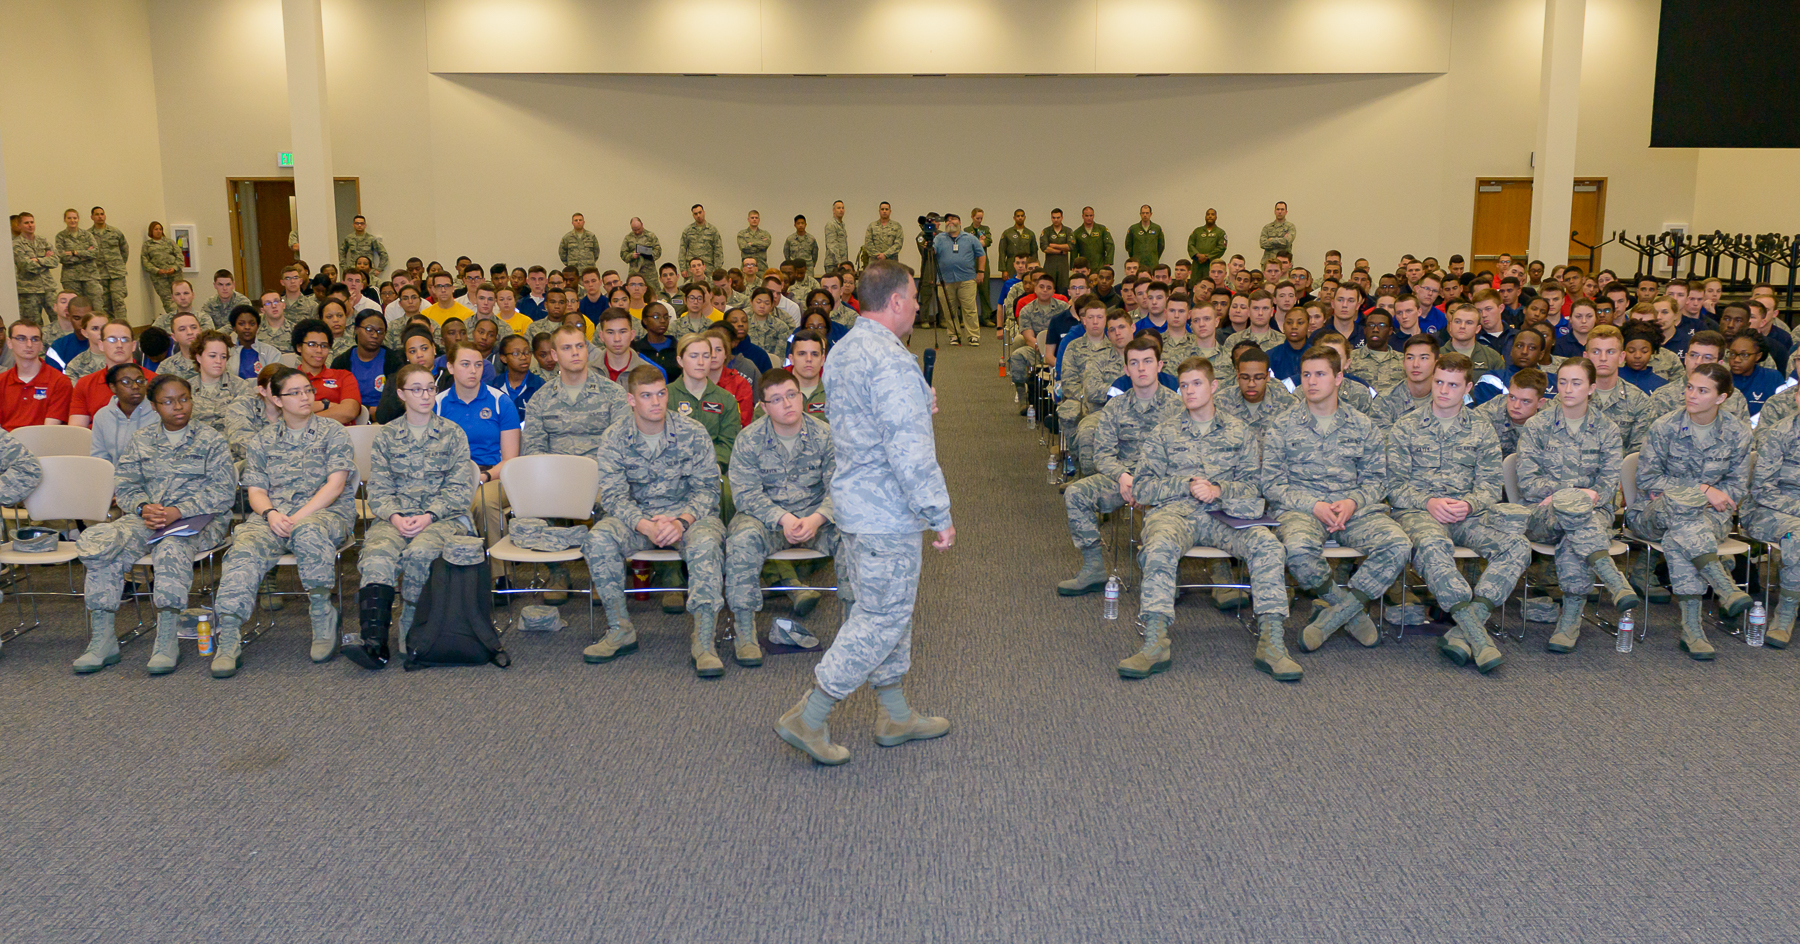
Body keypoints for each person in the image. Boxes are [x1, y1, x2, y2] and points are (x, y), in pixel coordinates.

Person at [774, 260, 951, 766]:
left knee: (886, 612)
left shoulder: (847, 348)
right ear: (895, 301)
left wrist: (917, 398)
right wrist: (938, 510)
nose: (917, 304)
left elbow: (864, 418)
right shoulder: (893, 363)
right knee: (879, 617)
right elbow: (908, 451)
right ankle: (809, 717)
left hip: (856, 506)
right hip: (886, 512)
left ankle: (894, 712)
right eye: (913, 296)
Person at [1131, 355, 1298, 680]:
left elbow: (1255, 487)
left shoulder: (1240, 432)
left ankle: (1272, 642)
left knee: (1268, 547)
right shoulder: (1164, 433)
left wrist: (1219, 489)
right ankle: (1155, 641)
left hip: (1227, 515)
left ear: (1214, 386)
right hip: (1178, 514)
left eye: (1196, 384)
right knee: (1159, 545)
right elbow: (1142, 487)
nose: (1189, 391)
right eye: (1183, 385)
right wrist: (1186, 485)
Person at [74, 376, 236, 675]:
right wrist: (142, 507)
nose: (179, 406)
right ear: (154, 406)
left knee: (171, 547)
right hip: (147, 519)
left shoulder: (210, 439)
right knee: (103, 543)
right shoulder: (142, 439)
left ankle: (166, 638)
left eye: (184, 398)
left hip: (198, 521)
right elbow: (125, 486)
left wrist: (179, 510)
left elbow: (223, 492)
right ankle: (103, 639)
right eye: (169, 401)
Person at [208, 365, 359, 677]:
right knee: (243, 547)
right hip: (274, 517)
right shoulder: (262, 441)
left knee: (307, 532)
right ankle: (229, 636)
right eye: (295, 393)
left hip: (325, 514)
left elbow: (335, 485)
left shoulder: (333, 433)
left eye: (308, 390)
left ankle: (322, 614)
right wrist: (271, 514)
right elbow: (256, 491)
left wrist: (297, 517)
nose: (305, 397)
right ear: (276, 400)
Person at [1385, 352, 1529, 673]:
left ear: (1467, 388)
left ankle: (1465, 626)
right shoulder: (1406, 426)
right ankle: (1476, 635)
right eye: (1438, 382)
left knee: (1516, 545)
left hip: (1469, 514)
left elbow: (1491, 486)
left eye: (1452, 384)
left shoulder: (1481, 428)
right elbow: (1393, 485)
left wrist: (1469, 504)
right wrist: (1429, 502)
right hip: (1419, 513)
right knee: (1434, 546)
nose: (1443, 390)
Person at [581, 366, 729, 675]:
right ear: (631, 400)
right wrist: (645, 525)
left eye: (661, 394)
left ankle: (704, 641)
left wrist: (680, 522)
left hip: (689, 516)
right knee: (598, 539)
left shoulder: (692, 432)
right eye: (646, 396)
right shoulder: (615, 437)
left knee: (706, 544)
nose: (656, 402)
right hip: (638, 520)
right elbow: (612, 496)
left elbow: (708, 489)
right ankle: (620, 629)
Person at [1264, 345, 1411, 653]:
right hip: (1303, 509)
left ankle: (1332, 619)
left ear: (1339, 378)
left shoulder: (1362, 425)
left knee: (1398, 544)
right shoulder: (1282, 424)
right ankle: (1352, 612)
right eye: (1306, 374)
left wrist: (1353, 502)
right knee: (1296, 548)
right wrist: (1313, 506)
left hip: (1354, 510)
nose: (1311, 381)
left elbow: (1377, 480)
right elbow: (1272, 484)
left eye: (1320, 374)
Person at [342, 363, 477, 670]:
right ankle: (374, 642)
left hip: (443, 519)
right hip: (395, 518)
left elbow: (459, 489)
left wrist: (430, 515)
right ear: (401, 394)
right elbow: (378, 488)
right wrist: (395, 517)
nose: (426, 395)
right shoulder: (387, 435)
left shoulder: (452, 434)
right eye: (417, 389)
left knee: (419, 553)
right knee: (376, 556)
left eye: (430, 387)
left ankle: (413, 628)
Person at [1625, 362, 1752, 660]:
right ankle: (1724, 588)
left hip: (1708, 520)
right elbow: (1646, 479)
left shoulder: (1737, 433)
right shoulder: (1664, 427)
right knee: (1682, 517)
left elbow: (1735, 491)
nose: (1691, 395)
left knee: (1682, 531)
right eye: (1690, 387)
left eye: (1703, 390)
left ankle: (1693, 629)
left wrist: (1690, 494)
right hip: (1652, 514)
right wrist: (1704, 490)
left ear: (1721, 397)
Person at [1518, 357, 1641, 653]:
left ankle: (1570, 617)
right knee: (1577, 518)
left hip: (1592, 515)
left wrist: (1574, 497)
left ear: (1591, 388)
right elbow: (1526, 481)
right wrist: (1570, 496)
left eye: (1576, 383)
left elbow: (1608, 483)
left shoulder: (1606, 429)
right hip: (1543, 515)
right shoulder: (1538, 424)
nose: (1567, 389)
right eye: (1562, 382)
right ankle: (1613, 580)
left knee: (1577, 531)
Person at [725, 368, 842, 662]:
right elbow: (746, 494)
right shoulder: (749, 439)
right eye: (777, 399)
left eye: (792, 395)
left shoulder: (825, 435)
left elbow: (841, 489)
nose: (787, 403)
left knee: (855, 536)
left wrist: (817, 519)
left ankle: (853, 630)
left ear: (801, 396)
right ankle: (745, 634)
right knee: (741, 540)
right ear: (763, 407)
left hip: (817, 518)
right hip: (769, 521)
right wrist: (783, 519)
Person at [1057, 336, 1181, 595]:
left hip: (1162, 483)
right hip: (1122, 478)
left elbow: (1183, 456)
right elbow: (1103, 454)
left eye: (1148, 361)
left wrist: (1148, 486)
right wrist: (1124, 477)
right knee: (1076, 493)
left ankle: (1163, 573)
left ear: (1160, 366)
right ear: (1126, 370)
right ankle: (1093, 568)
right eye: (1134, 363)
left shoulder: (1177, 407)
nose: (1141, 369)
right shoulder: (1116, 406)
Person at [435, 340, 521, 597]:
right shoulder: (438, 404)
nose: (473, 370)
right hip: (450, 475)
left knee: (482, 502)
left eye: (478, 364)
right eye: (465, 364)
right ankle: (444, 580)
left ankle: (499, 577)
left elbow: (510, 459)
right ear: (450, 367)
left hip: (494, 474)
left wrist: (483, 476)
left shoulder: (499, 402)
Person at [1, 321, 74, 430]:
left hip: (42, 443)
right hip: (6, 444)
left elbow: (49, 431)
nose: (29, 344)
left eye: (35, 339)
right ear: (9, 342)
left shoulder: (59, 381)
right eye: (21, 338)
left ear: (41, 345)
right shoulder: (2, 381)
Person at [291, 317, 362, 424]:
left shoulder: (343, 376)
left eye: (324, 346)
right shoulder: (288, 380)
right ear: (299, 347)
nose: (319, 350)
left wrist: (305, 421)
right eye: (312, 345)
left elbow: (349, 412)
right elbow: (286, 414)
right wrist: (326, 405)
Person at [86, 363, 159, 466]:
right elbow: (99, 458)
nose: (135, 386)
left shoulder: (158, 413)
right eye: (126, 382)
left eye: (140, 381)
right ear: (113, 387)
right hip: (113, 478)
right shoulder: (102, 416)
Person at [931, 212, 986, 346]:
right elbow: (932, 252)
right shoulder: (939, 238)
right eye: (947, 220)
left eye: (953, 219)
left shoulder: (970, 238)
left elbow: (981, 254)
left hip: (966, 279)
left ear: (960, 222)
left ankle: (973, 335)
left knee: (969, 309)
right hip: (945, 280)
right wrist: (928, 244)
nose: (950, 222)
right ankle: (954, 334)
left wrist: (981, 272)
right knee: (949, 309)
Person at [332, 310, 403, 410]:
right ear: (356, 329)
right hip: (349, 416)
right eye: (369, 329)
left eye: (380, 331)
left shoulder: (394, 361)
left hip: (383, 417)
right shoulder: (341, 362)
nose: (375, 335)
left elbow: (398, 399)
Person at [187, 329, 250, 439]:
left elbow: (246, 427)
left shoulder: (241, 387)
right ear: (199, 358)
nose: (218, 361)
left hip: (231, 448)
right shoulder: (186, 389)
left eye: (223, 357)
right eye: (212, 356)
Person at [13, 211, 60, 326]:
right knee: (33, 324)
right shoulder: (16, 244)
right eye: (26, 223)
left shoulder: (42, 240)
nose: (30, 225)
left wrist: (38, 260)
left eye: (32, 222)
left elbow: (56, 260)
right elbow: (26, 265)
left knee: (58, 319)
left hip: (48, 287)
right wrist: (45, 259)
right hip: (29, 291)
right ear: (19, 226)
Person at [141, 221, 182, 315]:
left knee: (179, 296)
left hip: (175, 275)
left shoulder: (169, 242)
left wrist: (174, 268)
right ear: (151, 231)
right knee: (167, 299)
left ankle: (183, 316)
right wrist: (157, 270)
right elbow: (145, 261)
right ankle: (174, 317)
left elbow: (179, 256)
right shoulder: (147, 245)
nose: (158, 231)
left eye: (160, 229)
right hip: (159, 278)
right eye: (156, 229)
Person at [495, 334, 544, 412]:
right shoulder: (493, 386)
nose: (524, 357)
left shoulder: (541, 386)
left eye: (527, 352)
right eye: (516, 353)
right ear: (503, 358)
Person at [1124, 205, 1163, 270]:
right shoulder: (1133, 228)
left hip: (1152, 262)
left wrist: (1154, 256)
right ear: (1140, 214)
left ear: (1151, 214)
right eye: (1143, 213)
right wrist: (1134, 257)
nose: (1145, 215)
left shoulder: (1157, 228)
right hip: (1138, 262)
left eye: (1147, 213)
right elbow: (1128, 246)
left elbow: (1161, 246)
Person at [821, 200, 850, 272]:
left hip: (842, 263)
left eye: (843, 208)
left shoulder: (842, 225)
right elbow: (832, 245)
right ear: (833, 210)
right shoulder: (831, 224)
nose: (841, 210)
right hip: (833, 264)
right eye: (839, 208)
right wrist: (839, 262)